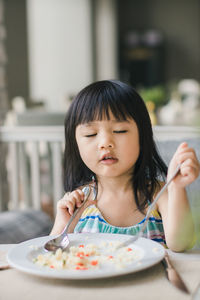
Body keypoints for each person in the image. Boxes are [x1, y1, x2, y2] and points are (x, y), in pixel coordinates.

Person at [51, 80, 200, 252]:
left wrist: (176, 187)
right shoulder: (79, 203)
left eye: (120, 130)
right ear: (75, 144)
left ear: (142, 137)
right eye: (90, 134)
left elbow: (182, 244)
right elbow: (52, 253)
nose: (105, 143)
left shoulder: (160, 196)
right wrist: (63, 225)